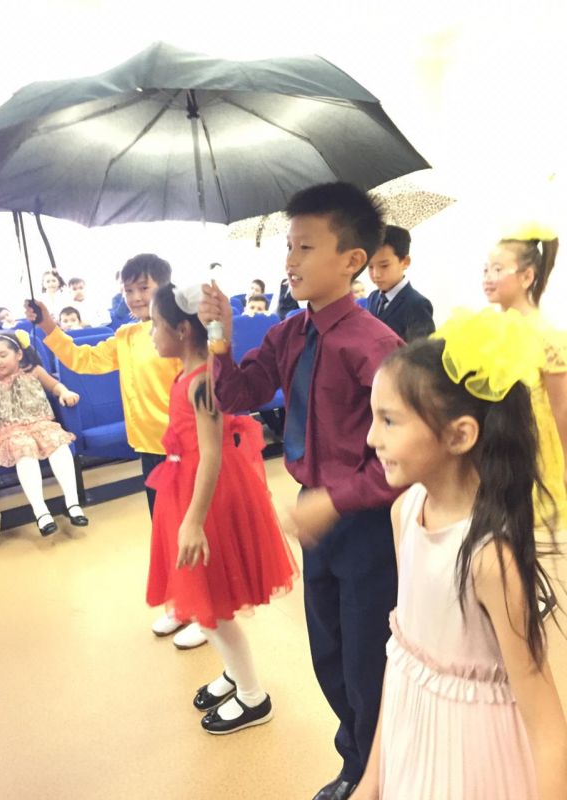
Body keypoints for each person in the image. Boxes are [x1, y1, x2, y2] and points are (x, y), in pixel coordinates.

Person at [200, 182, 403, 800]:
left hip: (363, 522)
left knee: (367, 659)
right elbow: (238, 394)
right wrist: (219, 331)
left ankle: (369, 773)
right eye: (288, 246)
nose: (290, 260)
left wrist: (335, 500)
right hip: (316, 516)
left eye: (306, 247)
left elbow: (404, 458)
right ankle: (360, 756)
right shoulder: (290, 334)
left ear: (352, 260)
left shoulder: (375, 346)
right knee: (329, 654)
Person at [355, 309, 567, 800]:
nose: (371, 438)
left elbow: (547, 725)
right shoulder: (405, 512)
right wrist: (373, 777)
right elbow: (403, 655)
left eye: (389, 420)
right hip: (410, 738)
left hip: (473, 763)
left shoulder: (489, 560)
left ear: (460, 435)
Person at [25, 254, 206, 649]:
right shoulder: (125, 336)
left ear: (166, 288)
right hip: (149, 449)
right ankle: (182, 602)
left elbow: (207, 371)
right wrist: (49, 326)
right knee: (165, 533)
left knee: (192, 531)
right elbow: (82, 359)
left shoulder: (181, 331)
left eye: (144, 287)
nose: (136, 296)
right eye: (128, 290)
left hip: (184, 450)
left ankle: (205, 611)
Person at [146, 283, 298, 734]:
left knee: (211, 605)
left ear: (182, 330)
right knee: (207, 599)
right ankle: (235, 673)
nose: (151, 333)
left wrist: (193, 521)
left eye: (155, 325)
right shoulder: (189, 375)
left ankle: (253, 697)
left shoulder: (202, 383)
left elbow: (211, 454)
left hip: (206, 498)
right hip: (187, 488)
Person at [482, 227, 567, 528]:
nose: (488, 277)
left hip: (538, 459)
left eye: (498, 269)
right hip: (498, 457)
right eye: (486, 270)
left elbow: (562, 413)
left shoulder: (547, 337)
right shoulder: (487, 333)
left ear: (527, 276)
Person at [0, 330, 88, 536]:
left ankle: (73, 503)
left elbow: (55, 386)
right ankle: (41, 512)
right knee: (24, 448)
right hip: (8, 432)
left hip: (40, 425)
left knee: (58, 442)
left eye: (2, 355)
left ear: (18, 354)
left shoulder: (34, 371)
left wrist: (64, 392)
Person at [365, 225, 435, 342]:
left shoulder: (417, 304)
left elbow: (421, 350)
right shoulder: (373, 297)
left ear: (405, 262)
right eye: (370, 267)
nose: (376, 274)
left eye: (384, 266)